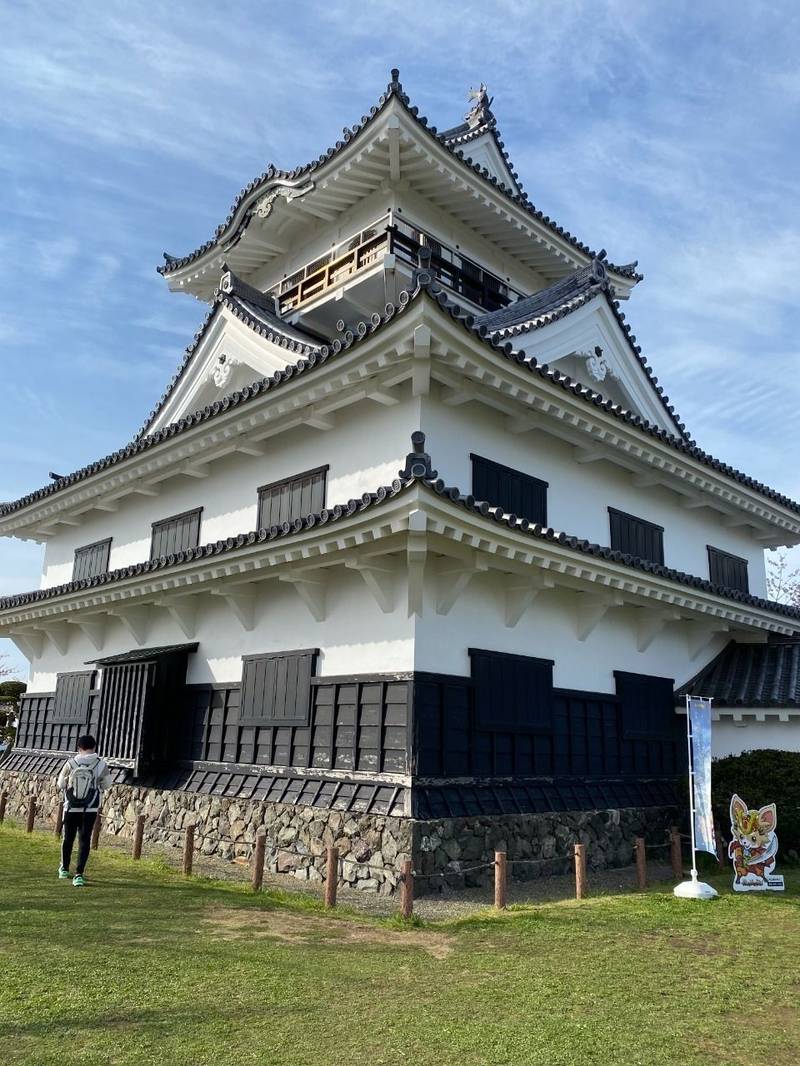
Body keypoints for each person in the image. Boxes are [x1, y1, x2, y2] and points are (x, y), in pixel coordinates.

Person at [56, 735, 112, 887]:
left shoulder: (71, 763)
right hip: (90, 807)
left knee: (68, 838)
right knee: (84, 839)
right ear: (94, 747)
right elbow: (107, 784)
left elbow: (60, 784)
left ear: (79, 748)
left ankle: (64, 868)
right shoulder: (101, 764)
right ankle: (79, 874)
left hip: (71, 806)